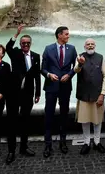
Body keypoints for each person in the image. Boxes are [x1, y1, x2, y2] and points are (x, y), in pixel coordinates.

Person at [5, 24, 41, 159]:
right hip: (13, 93)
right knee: (12, 122)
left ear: (31, 44)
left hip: (28, 93)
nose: (25, 44)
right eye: (23, 43)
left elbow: (37, 75)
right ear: (20, 44)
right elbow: (7, 47)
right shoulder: (15, 53)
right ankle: (11, 151)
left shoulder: (36, 56)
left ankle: (24, 147)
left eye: (27, 43)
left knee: (25, 121)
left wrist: (38, 93)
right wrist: (16, 34)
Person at [41, 26, 77, 157]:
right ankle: (48, 144)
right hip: (51, 86)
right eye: (66, 34)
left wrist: (70, 75)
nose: (68, 36)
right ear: (59, 35)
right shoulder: (48, 48)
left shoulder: (72, 49)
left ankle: (63, 141)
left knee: (64, 114)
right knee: (48, 115)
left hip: (65, 86)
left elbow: (76, 67)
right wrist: (49, 75)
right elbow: (43, 69)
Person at [74, 38, 105, 155]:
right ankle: (86, 142)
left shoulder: (101, 57)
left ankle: (97, 142)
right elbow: (76, 70)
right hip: (83, 94)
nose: (90, 46)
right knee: (85, 120)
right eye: (88, 44)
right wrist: (80, 63)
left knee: (97, 120)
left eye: (92, 44)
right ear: (84, 46)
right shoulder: (79, 57)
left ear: (95, 45)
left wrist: (102, 94)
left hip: (97, 94)